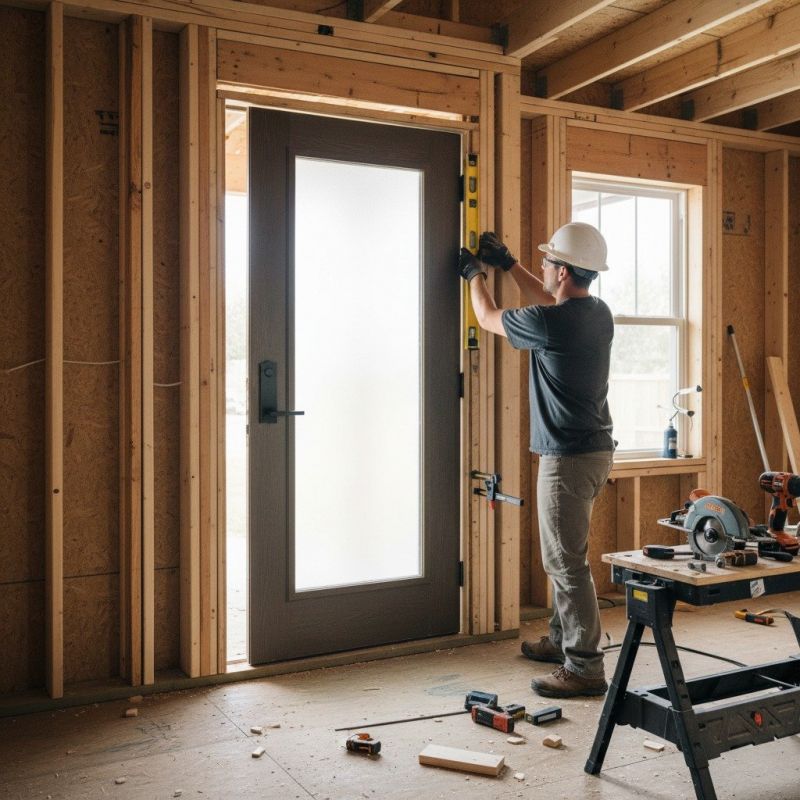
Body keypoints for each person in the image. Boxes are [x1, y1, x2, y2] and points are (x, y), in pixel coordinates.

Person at [458, 223, 615, 699]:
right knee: (565, 555)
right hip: (594, 451)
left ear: (563, 271)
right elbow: (549, 300)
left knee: (565, 562)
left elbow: (488, 317)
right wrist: (508, 264)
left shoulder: (550, 324)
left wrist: (473, 275)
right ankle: (563, 640)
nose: (542, 267)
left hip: (567, 459)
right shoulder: (597, 313)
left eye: (548, 262)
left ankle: (584, 666)